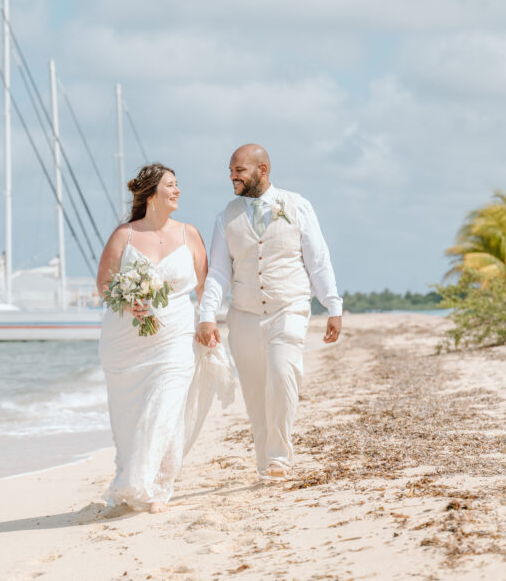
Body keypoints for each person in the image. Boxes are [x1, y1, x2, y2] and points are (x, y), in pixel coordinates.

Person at [196, 144, 342, 480]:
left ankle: (280, 458)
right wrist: (207, 315)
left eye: (239, 170)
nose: (232, 176)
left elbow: (317, 261)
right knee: (255, 390)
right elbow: (219, 271)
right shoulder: (226, 217)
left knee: (282, 375)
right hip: (244, 314)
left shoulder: (298, 206)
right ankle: (266, 461)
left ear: (263, 170)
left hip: (288, 307)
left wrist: (333, 305)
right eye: (230, 170)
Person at [96, 163, 208, 513]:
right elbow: (104, 284)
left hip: (175, 336)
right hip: (124, 344)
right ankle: (134, 478)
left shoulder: (189, 233)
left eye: (177, 185)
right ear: (151, 194)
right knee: (130, 415)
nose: (177, 191)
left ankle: (156, 488)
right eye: (170, 185)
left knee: (166, 407)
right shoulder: (124, 235)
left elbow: (205, 285)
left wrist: (209, 321)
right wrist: (129, 304)